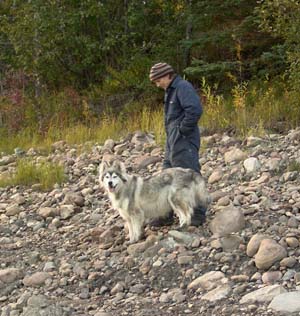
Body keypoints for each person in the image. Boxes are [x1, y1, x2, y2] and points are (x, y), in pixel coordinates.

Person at [149, 62, 206, 226]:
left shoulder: (182, 87)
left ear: (167, 75)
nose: (157, 84)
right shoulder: (170, 91)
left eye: (158, 80)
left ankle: (197, 215)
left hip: (184, 141)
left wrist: (182, 131)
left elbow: (195, 110)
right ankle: (165, 214)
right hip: (172, 142)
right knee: (166, 177)